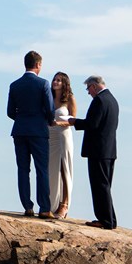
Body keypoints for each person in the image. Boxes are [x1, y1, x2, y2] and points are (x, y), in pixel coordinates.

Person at [66, 75, 119, 230]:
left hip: (98, 151)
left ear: (94, 86)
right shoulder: (112, 100)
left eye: (88, 88)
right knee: (105, 186)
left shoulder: (100, 100)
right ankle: (110, 219)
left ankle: (105, 220)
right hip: (109, 150)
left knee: (99, 185)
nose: (88, 92)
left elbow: (92, 124)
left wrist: (74, 121)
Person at [7, 51, 55, 219]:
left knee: (23, 169)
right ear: (38, 65)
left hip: (20, 129)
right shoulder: (43, 84)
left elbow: (10, 112)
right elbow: (50, 109)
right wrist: (47, 120)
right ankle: (44, 208)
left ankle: (27, 206)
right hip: (38, 131)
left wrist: (22, 118)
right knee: (41, 170)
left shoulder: (14, 85)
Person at [49, 72, 76, 218]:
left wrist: (59, 123)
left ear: (64, 83)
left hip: (63, 135)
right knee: (52, 169)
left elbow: (73, 121)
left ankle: (64, 204)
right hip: (50, 136)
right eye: (54, 79)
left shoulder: (69, 99)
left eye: (59, 80)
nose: (55, 82)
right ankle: (52, 203)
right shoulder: (49, 98)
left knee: (64, 168)